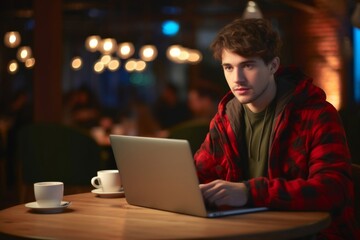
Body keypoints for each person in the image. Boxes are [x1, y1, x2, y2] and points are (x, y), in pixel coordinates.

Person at [195, 18, 360, 240]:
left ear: (273, 65)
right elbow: (199, 175)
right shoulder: (224, 119)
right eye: (229, 67)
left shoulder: (316, 114)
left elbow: (332, 189)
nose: (237, 78)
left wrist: (249, 192)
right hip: (246, 231)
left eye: (248, 65)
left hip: (312, 234)